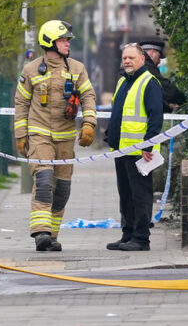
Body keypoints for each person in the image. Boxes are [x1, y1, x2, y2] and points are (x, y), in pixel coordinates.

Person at [14, 20, 97, 252]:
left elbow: (88, 96)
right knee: (43, 181)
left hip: (66, 137)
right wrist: (21, 134)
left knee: (62, 189)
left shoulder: (77, 69)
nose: (67, 44)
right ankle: (41, 232)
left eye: (67, 40)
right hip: (39, 135)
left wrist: (89, 123)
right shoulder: (31, 70)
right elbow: (21, 103)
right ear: (50, 42)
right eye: (63, 40)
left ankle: (51, 235)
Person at [105, 43, 164, 251]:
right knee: (126, 195)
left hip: (140, 151)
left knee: (140, 196)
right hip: (122, 148)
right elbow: (118, 112)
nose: (127, 61)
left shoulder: (149, 82)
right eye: (124, 58)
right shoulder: (123, 80)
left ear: (142, 59)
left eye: (131, 57)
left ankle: (141, 239)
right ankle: (128, 234)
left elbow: (156, 116)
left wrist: (148, 144)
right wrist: (110, 135)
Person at [140, 38, 186, 112]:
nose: (159, 61)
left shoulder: (133, 66)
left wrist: (168, 107)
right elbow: (168, 91)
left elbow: (150, 97)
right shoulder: (147, 67)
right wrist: (184, 101)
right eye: (159, 57)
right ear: (152, 53)